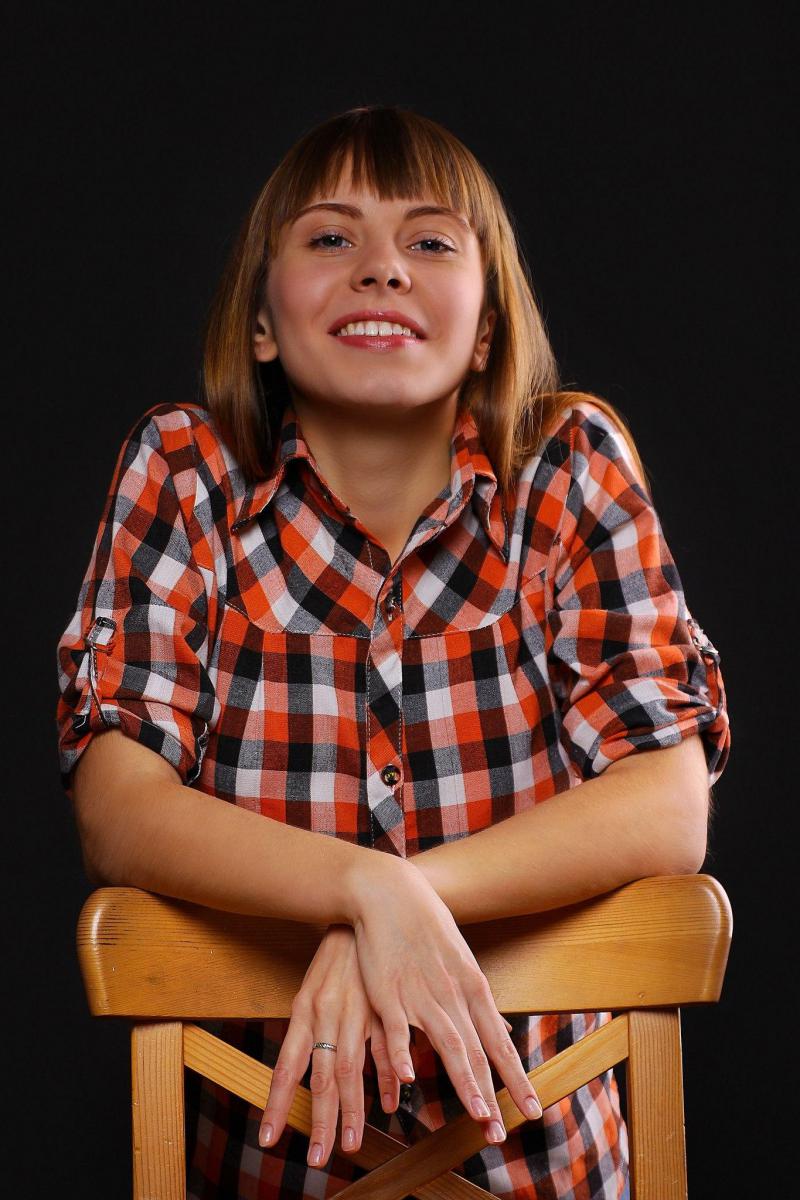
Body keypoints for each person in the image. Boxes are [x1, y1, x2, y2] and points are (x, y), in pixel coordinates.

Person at [55, 105, 730, 1200]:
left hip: (549, 1177)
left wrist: (404, 900)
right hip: (265, 1176)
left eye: (429, 241)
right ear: (262, 322)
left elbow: (666, 800)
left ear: (485, 329)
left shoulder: (567, 470)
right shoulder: (183, 473)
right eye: (331, 237)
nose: (381, 268)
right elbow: (117, 806)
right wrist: (357, 886)